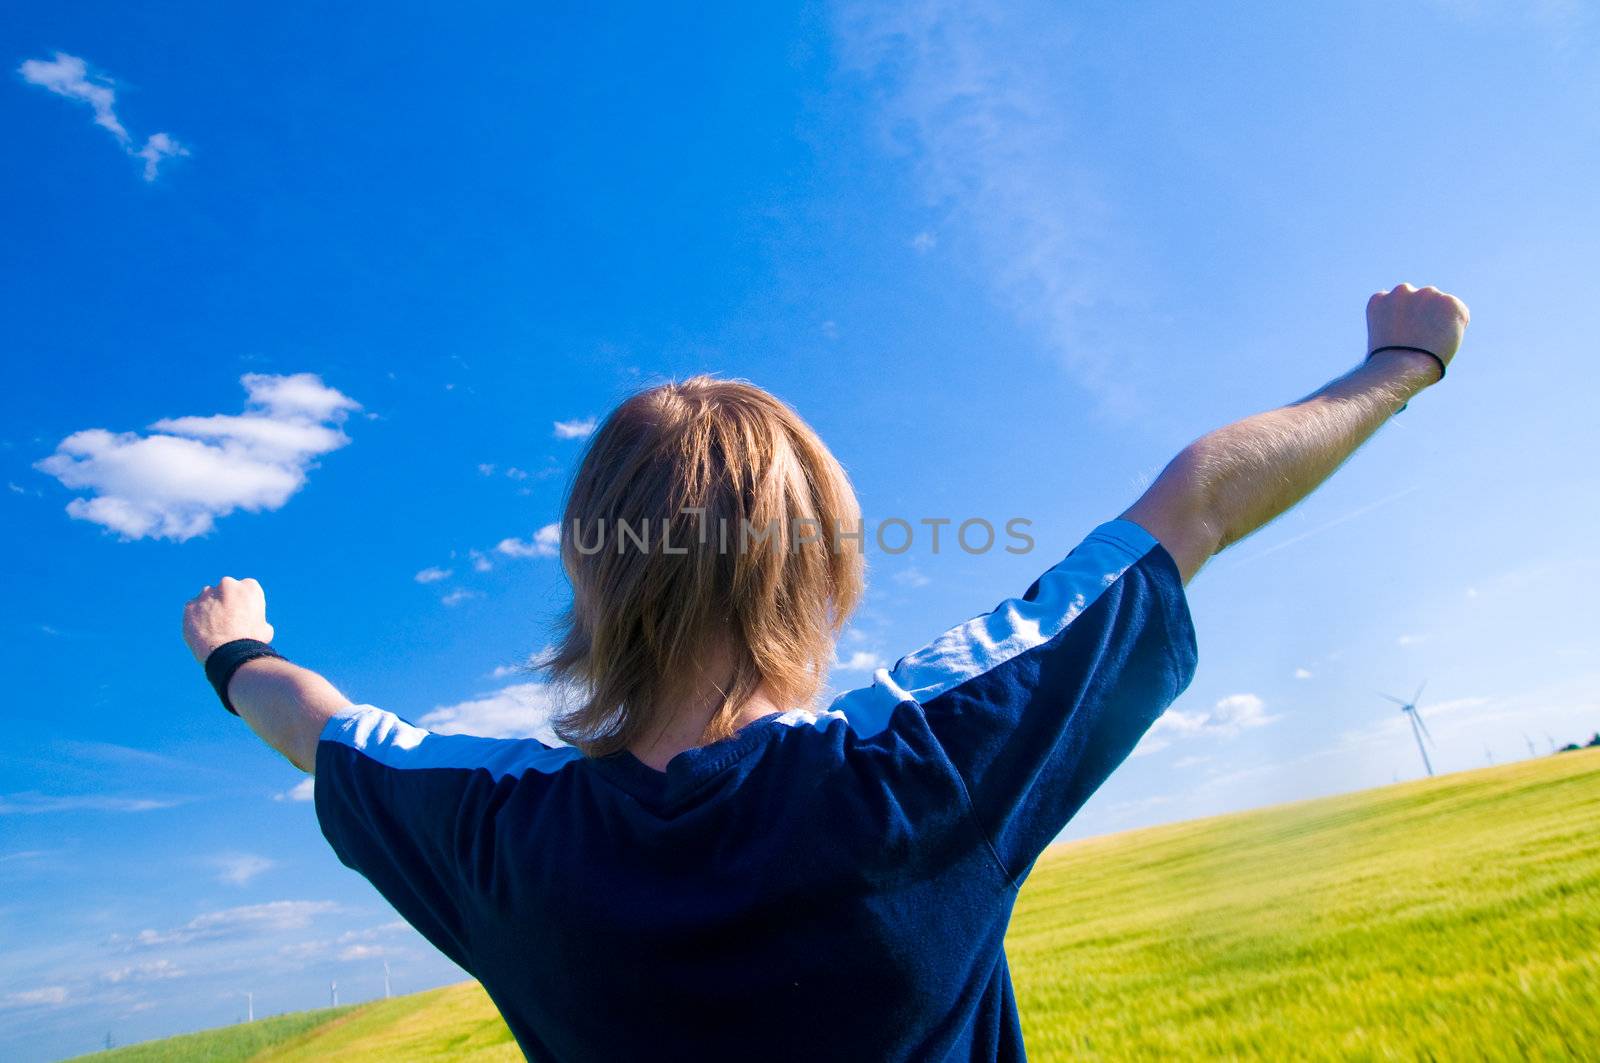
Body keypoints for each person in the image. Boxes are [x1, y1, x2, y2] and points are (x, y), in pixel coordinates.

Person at [183, 283, 1468, 1061]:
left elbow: (321, 724)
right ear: (821, 568)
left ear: (591, 576)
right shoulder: (927, 762)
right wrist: (1394, 368)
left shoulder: (489, 828)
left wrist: (234, 643)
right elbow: (1191, 509)